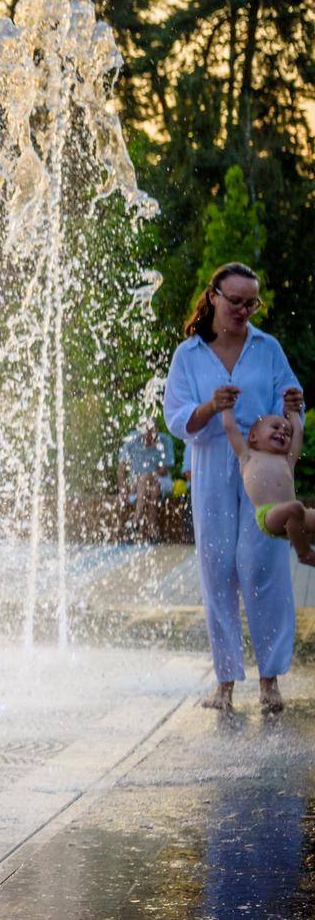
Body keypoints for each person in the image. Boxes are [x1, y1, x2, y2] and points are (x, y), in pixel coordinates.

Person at [163, 262, 304, 714]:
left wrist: (294, 401)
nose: (244, 310)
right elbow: (175, 417)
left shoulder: (267, 347)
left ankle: (270, 680)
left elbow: (289, 392)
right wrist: (209, 407)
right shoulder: (189, 353)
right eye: (236, 300)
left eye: (251, 302)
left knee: (262, 566)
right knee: (217, 567)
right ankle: (224, 681)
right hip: (211, 464)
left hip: (261, 469)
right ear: (214, 297)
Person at [221, 405, 312, 564]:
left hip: (295, 519)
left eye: (287, 432)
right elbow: (230, 428)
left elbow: (299, 432)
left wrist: (292, 411)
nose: (282, 432)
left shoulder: (287, 460)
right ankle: (304, 553)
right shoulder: (247, 455)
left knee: (297, 510)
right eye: (275, 427)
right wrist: (226, 406)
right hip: (268, 515)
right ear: (253, 436)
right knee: (295, 507)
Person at [119, 424, 173, 542]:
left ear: (156, 432)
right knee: (152, 489)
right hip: (136, 482)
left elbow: (164, 471)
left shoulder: (164, 441)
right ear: (140, 432)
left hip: (160, 479)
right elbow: (121, 467)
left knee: (149, 482)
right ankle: (153, 530)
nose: (148, 436)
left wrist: (150, 475)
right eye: (146, 433)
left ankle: (136, 520)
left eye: (151, 433)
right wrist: (123, 489)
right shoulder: (132, 440)